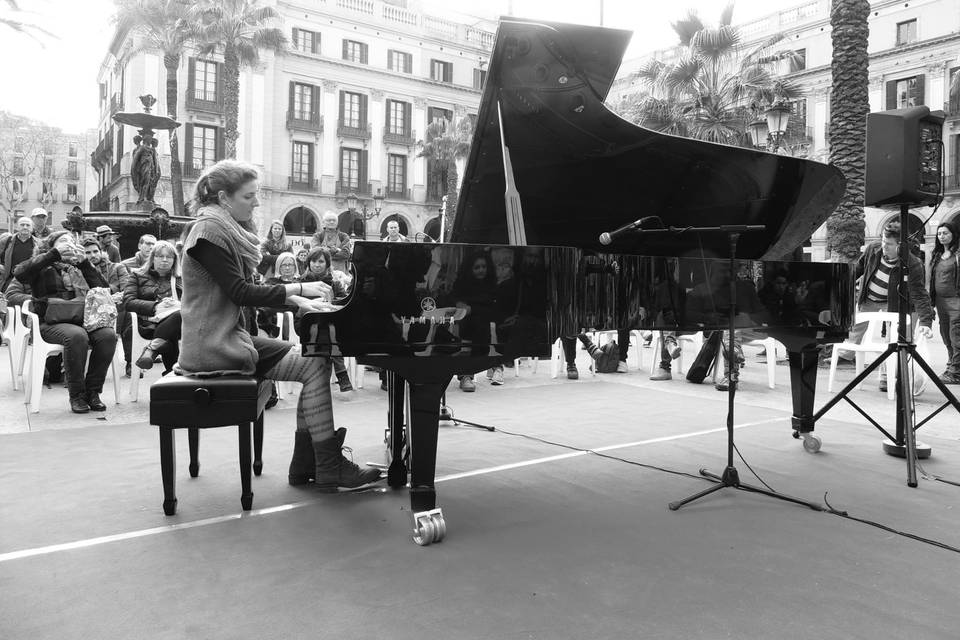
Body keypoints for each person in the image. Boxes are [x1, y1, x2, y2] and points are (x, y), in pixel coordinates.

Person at [178, 159, 380, 490]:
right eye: (249, 196)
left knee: (314, 359)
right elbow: (240, 291)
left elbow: (248, 289)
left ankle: (308, 464)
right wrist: (299, 288)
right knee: (314, 364)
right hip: (211, 347)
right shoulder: (209, 232)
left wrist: (298, 301)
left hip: (225, 337)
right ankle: (324, 465)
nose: (257, 202)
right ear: (224, 198)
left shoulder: (219, 228)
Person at [6, 229, 118, 413]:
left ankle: (93, 392)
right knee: (77, 336)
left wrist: (84, 264)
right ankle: (77, 395)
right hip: (49, 322)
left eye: (71, 242)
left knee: (108, 336)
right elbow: (19, 273)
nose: (68, 244)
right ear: (51, 246)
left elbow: (103, 290)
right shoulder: (42, 264)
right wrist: (53, 255)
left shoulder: (79, 265)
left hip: (82, 319)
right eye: (62, 241)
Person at [849, 220, 935, 391]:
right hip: (869, 299)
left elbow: (919, 293)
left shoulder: (913, 263)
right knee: (852, 336)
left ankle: (886, 378)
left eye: (888, 244)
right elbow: (856, 271)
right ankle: (843, 355)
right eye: (883, 241)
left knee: (894, 340)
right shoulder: (873, 249)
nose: (884, 246)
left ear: (900, 246)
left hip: (893, 303)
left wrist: (926, 322)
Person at [123, 240, 183, 374]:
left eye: (169, 257)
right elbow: (128, 302)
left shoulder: (181, 278)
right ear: (153, 258)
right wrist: (156, 306)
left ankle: (152, 349)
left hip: (180, 323)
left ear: (174, 260)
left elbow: (192, 302)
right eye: (160, 256)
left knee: (179, 314)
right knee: (169, 336)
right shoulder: (137, 275)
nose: (165, 260)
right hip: (148, 324)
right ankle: (171, 374)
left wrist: (177, 304)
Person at [301, 246, 352, 391]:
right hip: (307, 322)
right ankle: (342, 374)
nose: (317, 265)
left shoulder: (334, 283)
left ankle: (320, 379)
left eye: (321, 262)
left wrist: (330, 303)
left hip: (329, 323)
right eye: (313, 261)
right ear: (308, 263)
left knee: (329, 330)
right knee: (329, 332)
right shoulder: (302, 281)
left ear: (327, 264)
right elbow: (297, 307)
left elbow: (343, 302)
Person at [451, 251, 499, 390]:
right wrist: (460, 305)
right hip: (465, 322)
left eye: (483, 266)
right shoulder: (462, 283)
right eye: (477, 267)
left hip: (483, 321)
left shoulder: (491, 284)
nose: (481, 270)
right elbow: (454, 299)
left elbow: (493, 307)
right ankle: (465, 374)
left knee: (478, 325)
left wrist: (472, 309)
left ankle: (470, 372)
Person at [929, 221, 960, 384]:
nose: (942, 236)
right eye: (939, 233)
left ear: (953, 235)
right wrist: (931, 303)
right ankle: (952, 367)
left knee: (956, 337)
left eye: (945, 233)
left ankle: (955, 372)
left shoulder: (958, 254)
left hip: (956, 302)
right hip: (941, 303)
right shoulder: (936, 255)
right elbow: (933, 280)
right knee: (946, 336)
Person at [1, 216, 41, 292]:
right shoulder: (6, 241)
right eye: (22, 225)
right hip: (10, 280)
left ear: (32, 228)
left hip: (31, 283)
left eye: (28, 225)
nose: (25, 227)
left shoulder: (39, 243)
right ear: (17, 227)